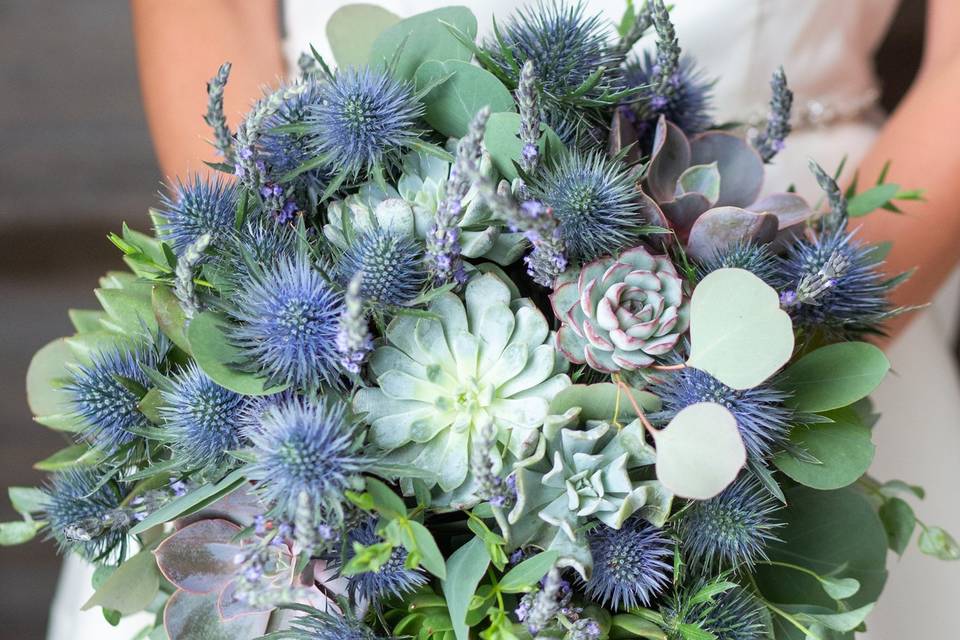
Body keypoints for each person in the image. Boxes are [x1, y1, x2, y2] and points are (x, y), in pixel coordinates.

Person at [48, 1, 960, 638]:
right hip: (343, 215)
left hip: (799, 260)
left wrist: (779, 351)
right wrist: (285, 269)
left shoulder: (783, 335)